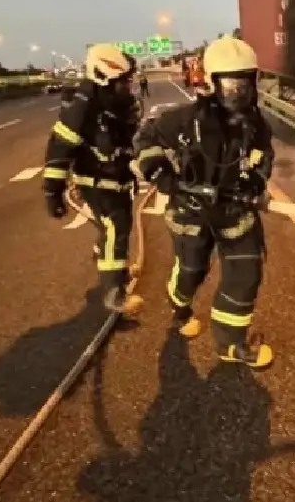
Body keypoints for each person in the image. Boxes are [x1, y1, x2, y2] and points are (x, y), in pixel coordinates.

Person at [132, 36, 275, 368]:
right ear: (212, 82)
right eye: (230, 84)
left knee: (245, 274)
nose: (237, 92)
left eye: (244, 83)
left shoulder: (256, 126)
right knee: (192, 272)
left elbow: (264, 155)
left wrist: (255, 180)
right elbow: (145, 139)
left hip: (235, 214)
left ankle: (231, 344)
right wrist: (164, 176)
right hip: (191, 213)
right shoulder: (183, 120)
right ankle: (179, 302)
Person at [41, 43, 143, 316]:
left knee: (118, 227)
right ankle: (113, 293)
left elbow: (123, 141)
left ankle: (113, 266)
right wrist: (53, 191)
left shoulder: (111, 103)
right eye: (121, 82)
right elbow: (60, 146)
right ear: (103, 77)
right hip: (96, 181)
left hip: (114, 178)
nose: (127, 87)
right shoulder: (83, 107)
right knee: (115, 228)